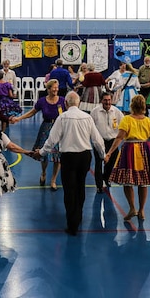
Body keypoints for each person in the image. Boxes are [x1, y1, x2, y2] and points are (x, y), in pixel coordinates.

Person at [38, 91, 106, 236]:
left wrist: (41, 153)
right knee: (80, 186)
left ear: (66, 103)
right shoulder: (87, 117)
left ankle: (72, 224)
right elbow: (97, 140)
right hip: (85, 156)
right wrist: (103, 155)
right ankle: (78, 216)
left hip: (68, 157)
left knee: (69, 190)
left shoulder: (62, 118)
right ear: (79, 103)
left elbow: (52, 140)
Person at [105, 95, 150, 221]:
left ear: (132, 105)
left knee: (127, 181)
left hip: (129, 150)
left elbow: (119, 138)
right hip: (145, 150)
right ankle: (141, 210)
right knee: (143, 182)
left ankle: (132, 208)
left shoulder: (126, 120)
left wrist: (109, 153)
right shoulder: (148, 121)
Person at [10, 79, 65, 189]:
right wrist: (19, 118)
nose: (56, 89)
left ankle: (53, 180)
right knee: (43, 154)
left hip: (59, 129)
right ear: (48, 89)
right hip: (46, 128)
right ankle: (44, 172)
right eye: (54, 87)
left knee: (58, 156)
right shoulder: (42, 101)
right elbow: (32, 112)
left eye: (57, 87)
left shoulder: (63, 101)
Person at [91, 91, 124, 193]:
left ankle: (106, 178)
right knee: (98, 163)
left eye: (109, 100)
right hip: (99, 141)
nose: (108, 102)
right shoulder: (95, 112)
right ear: (101, 101)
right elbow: (91, 127)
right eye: (105, 100)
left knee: (112, 162)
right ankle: (99, 185)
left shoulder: (117, 112)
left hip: (113, 142)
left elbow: (123, 125)